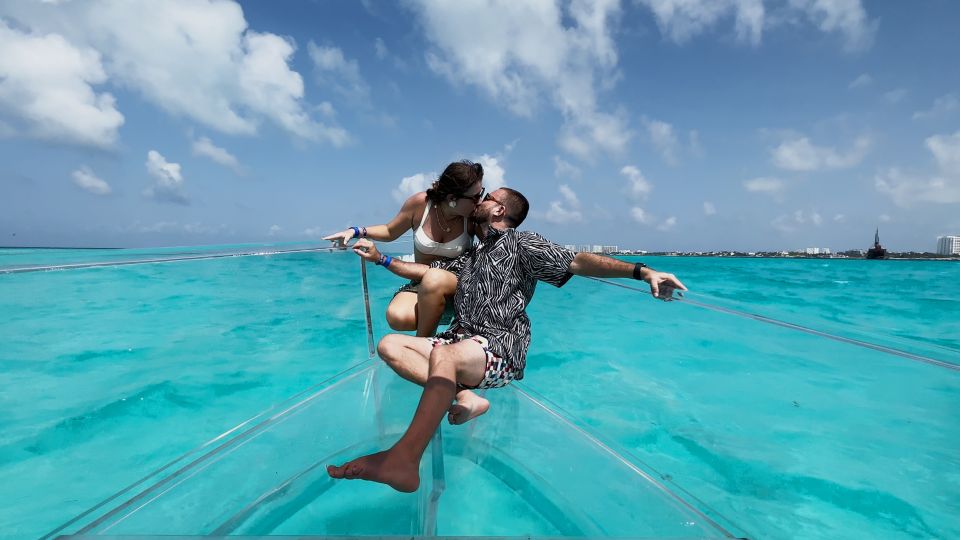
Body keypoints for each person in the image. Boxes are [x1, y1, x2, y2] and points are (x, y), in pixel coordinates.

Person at [327, 187, 687, 493]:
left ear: (499, 210)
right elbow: (425, 271)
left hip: (499, 347)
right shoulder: (472, 255)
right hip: (460, 341)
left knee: (447, 357)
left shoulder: (521, 243)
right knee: (391, 345)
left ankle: (403, 460)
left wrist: (643, 271)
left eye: (486, 197)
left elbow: (577, 262)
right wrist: (381, 258)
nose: (479, 201)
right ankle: (466, 398)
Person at [323, 160, 485, 337]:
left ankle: (423, 346)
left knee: (434, 278)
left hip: (457, 288)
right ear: (452, 198)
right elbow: (389, 231)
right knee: (397, 316)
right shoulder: (420, 204)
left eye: (481, 194)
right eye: (475, 197)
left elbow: (492, 251)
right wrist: (356, 231)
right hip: (422, 284)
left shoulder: (473, 217)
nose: (479, 202)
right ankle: (437, 327)